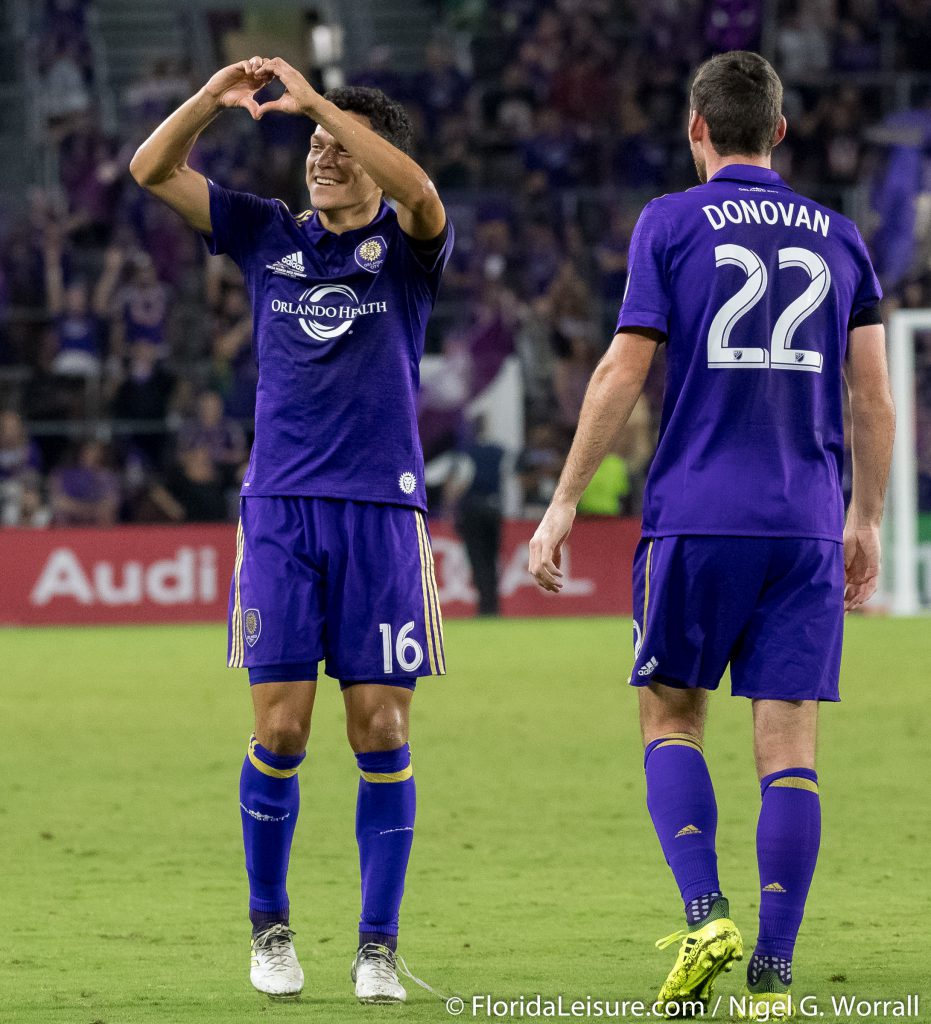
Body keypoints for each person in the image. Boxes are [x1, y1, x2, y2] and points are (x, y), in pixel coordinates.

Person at [529, 51, 893, 1021]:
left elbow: (618, 370)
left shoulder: (668, 223)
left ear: (697, 128)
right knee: (790, 751)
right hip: (805, 525)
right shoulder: (842, 239)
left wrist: (564, 498)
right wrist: (864, 517)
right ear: (778, 130)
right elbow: (876, 400)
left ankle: (704, 916)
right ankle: (772, 976)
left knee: (671, 717)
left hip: (695, 514)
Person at [130, 56, 453, 1004]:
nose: (320, 156)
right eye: (312, 145)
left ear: (373, 154)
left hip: (383, 516)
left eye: (338, 146)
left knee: (381, 726)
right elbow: (151, 170)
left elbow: (423, 190)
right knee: (280, 728)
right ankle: (270, 930)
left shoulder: (408, 247)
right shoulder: (265, 235)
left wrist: (319, 100)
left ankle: (377, 948)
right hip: (279, 511)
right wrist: (208, 99)